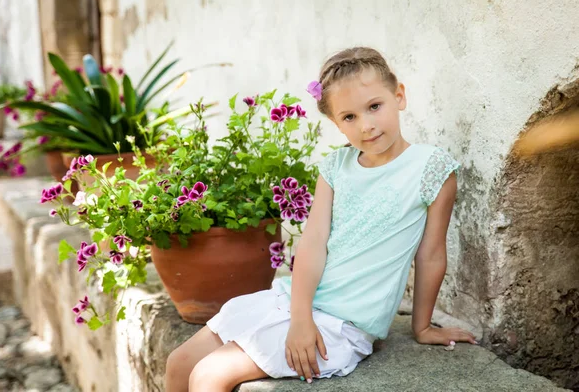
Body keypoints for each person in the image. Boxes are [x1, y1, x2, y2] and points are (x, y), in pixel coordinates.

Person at [165, 46, 478, 392]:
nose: (367, 125)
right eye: (349, 117)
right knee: (179, 364)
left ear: (399, 96)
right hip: (293, 301)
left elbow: (431, 254)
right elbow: (313, 245)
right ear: (335, 123)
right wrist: (300, 318)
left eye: (374, 106)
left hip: (343, 323)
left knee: (209, 375)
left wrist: (422, 327)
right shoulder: (335, 168)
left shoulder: (430, 167)